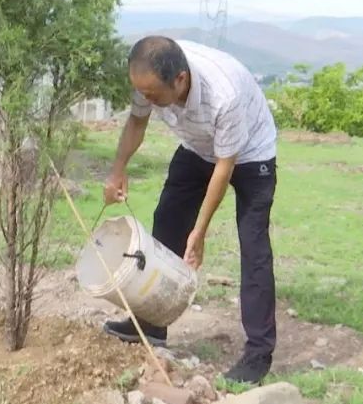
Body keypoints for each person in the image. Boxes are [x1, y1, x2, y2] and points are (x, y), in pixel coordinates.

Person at [101, 35, 279, 384]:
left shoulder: (224, 95)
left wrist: (199, 231)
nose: (146, 100)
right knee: (166, 222)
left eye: (153, 95)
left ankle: (259, 353)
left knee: (254, 246)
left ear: (180, 80)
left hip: (249, 155)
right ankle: (153, 323)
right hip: (197, 147)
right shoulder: (149, 73)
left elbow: (224, 168)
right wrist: (118, 168)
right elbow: (136, 122)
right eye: (142, 93)